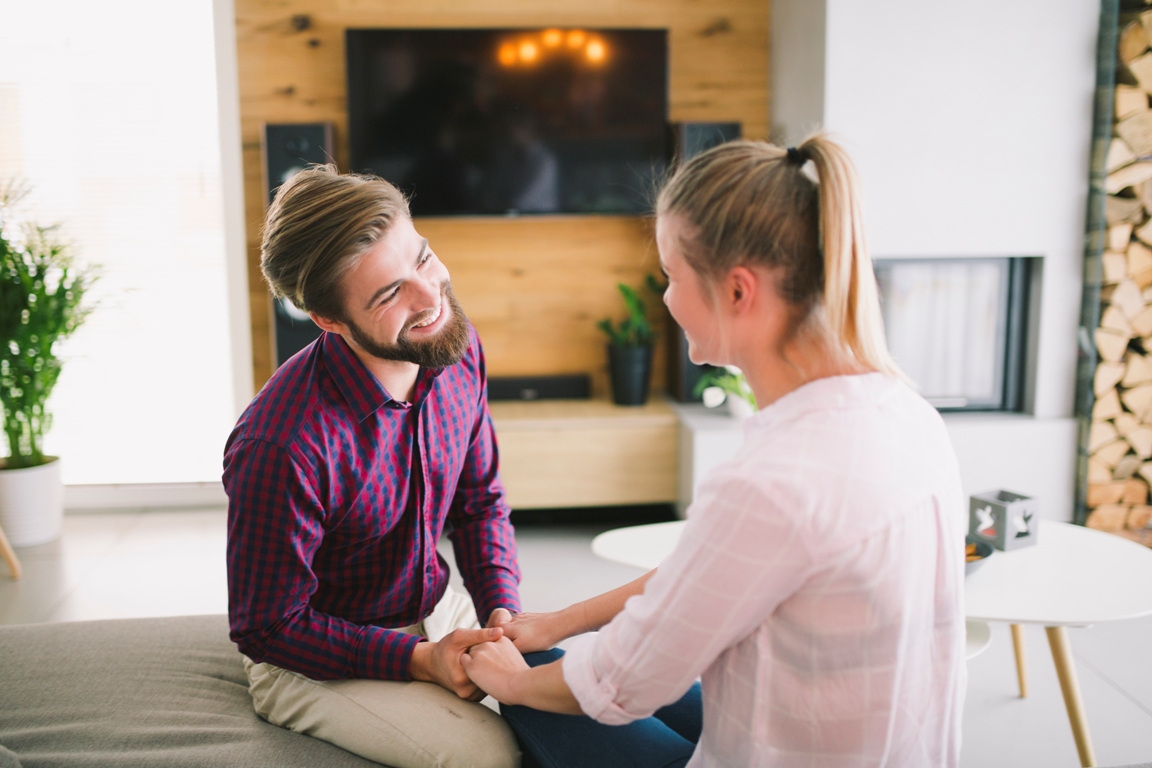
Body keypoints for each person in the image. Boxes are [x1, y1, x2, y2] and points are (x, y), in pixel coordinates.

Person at [463, 136, 969, 768]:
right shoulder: (907, 411)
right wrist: (562, 621)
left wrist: (507, 679)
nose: (667, 298)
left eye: (672, 276)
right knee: (546, 651)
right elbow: (711, 575)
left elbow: (621, 684)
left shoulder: (773, 480)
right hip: (875, 740)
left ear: (737, 291)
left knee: (529, 678)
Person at [222, 166, 523, 768]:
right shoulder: (281, 446)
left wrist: (502, 613)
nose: (430, 296)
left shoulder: (454, 348)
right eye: (390, 294)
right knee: (487, 757)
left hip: (433, 611)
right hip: (309, 656)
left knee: (572, 714)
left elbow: (479, 503)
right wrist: (416, 661)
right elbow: (267, 626)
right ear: (330, 322)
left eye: (424, 258)